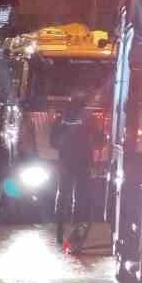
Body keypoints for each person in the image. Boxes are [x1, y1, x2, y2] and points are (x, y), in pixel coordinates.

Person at [50, 96, 100, 253]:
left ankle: (60, 226)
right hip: (83, 164)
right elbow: (98, 140)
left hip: (66, 162)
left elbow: (53, 141)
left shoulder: (61, 120)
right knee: (80, 197)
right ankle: (76, 229)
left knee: (63, 194)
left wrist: (64, 147)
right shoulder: (89, 120)